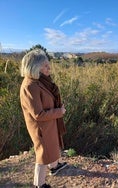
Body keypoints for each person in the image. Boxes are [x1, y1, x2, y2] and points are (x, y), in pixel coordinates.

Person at [20, 49, 67, 188]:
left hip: (47, 125)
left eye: (48, 64)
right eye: (45, 66)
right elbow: (38, 115)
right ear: (34, 67)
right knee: (42, 155)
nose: (49, 68)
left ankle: (55, 166)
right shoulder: (30, 86)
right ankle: (39, 184)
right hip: (41, 128)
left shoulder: (39, 81)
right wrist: (59, 111)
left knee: (51, 146)